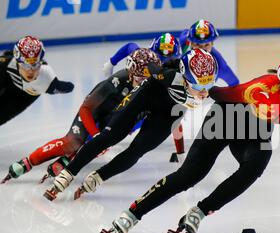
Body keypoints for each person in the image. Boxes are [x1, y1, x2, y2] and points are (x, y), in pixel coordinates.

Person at [98, 55, 280, 233]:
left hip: (256, 127)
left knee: (256, 165)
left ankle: (199, 212)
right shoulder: (259, 90)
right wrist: (188, 84)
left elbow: (279, 114)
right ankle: (132, 213)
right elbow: (221, 94)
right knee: (190, 175)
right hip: (227, 116)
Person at [44, 48, 219, 201]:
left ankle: (98, 177)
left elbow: (229, 93)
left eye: (209, 84)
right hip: (147, 96)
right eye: (197, 85)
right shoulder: (169, 76)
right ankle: (69, 172)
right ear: (185, 77)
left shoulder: (205, 84)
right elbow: (152, 68)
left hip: (168, 114)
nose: (204, 92)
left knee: (137, 151)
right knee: (109, 137)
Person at [1, 48, 158, 184]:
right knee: (72, 143)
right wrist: (96, 135)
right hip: (92, 112)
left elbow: (141, 117)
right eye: (140, 79)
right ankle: (28, 162)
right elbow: (86, 109)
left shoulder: (152, 87)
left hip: (114, 116)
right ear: (131, 72)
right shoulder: (116, 81)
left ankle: (68, 159)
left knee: (98, 144)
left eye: (148, 79)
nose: (144, 83)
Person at [102, 33, 187, 160]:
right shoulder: (145, 57)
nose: (162, 62)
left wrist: (112, 62)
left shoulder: (171, 73)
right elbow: (131, 47)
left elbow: (174, 119)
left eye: (169, 59)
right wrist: (111, 62)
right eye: (159, 57)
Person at [0, 36, 74, 126]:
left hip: (24, 97)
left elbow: (69, 87)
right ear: (17, 62)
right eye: (26, 65)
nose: (31, 70)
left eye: (35, 65)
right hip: (6, 79)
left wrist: (59, 86)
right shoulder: (4, 64)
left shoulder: (47, 79)